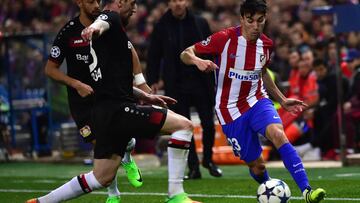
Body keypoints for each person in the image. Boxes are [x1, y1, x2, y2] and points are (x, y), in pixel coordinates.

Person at [29, 0, 201, 203]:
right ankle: (176, 195)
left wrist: (145, 95)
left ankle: (41, 202)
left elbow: (114, 80)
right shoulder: (110, 17)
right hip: (117, 111)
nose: (135, 8)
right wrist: (93, 27)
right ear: (120, 2)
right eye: (132, 3)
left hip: (104, 113)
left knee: (101, 177)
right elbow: (103, 20)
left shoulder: (108, 39)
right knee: (184, 126)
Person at [180, 0, 326, 202]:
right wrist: (197, 61)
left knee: (278, 134)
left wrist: (282, 100)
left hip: (257, 100)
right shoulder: (224, 39)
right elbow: (185, 53)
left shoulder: (266, 44)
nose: (255, 26)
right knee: (257, 166)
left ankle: (307, 191)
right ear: (242, 19)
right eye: (250, 21)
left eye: (260, 20)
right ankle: (269, 189)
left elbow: (262, 71)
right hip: (229, 110)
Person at [27, 0, 145, 203]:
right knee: (99, 144)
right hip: (80, 101)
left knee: (105, 145)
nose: (96, 5)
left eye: (98, 1)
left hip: (105, 95)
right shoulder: (68, 32)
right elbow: (50, 69)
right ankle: (125, 155)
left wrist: (141, 81)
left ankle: (113, 192)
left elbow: (129, 48)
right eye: (90, 1)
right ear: (79, 3)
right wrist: (76, 84)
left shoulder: (105, 23)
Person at [146, 0, 221, 179]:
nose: (178, 3)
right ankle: (193, 167)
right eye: (173, 0)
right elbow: (154, 54)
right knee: (184, 127)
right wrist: (153, 80)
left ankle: (208, 160)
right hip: (176, 84)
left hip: (201, 82)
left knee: (208, 124)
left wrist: (215, 76)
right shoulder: (161, 26)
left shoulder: (200, 22)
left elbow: (211, 50)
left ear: (187, 2)